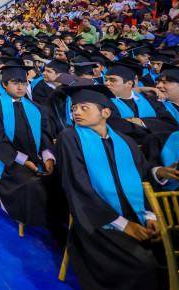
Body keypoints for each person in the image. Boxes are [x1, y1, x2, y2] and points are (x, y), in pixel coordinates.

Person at [57, 85, 164, 290]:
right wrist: (124, 224)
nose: (76, 112)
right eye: (74, 108)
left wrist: (151, 216)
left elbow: (143, 179)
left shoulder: (126, 141)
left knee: (170, 253)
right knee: (143, 265)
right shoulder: (69, 138)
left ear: (105, 112)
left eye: (84, 108)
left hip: (136, 213)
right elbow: (78, 187)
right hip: (97, 219)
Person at [0, 64, 64, 237]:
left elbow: (45, 136)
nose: (21, 87)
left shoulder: (35, 107)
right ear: (4, 84)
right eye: (15, 83)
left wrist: (49, 157)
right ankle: (47, 223)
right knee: (32, 183)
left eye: (24, 83)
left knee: (61, 179)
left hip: (38, 158)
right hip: (12, 162)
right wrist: (24, 160)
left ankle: (60, 221)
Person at [104, 61, 179, 144]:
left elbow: (171, 125)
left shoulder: (150, 101)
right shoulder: (104, 103)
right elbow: (116, 127)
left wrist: (140, 122)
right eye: (106, 79)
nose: (106, 83)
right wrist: (152, 127)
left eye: (112, 80)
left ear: (129, 84)